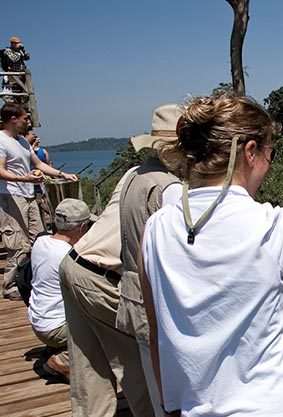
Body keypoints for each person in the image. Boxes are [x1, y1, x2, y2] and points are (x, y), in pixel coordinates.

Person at [139, 95, 283, 416]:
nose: (269, 165)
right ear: (250, 152)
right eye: (269, 153)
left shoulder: (156, 229)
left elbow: (156, 334)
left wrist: (170, 407)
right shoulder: (275, 226)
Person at [58, 166, 155, 417]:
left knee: (89, 369)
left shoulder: (136, 172)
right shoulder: (168, 185)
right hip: (103, 276)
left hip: (75, 262)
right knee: (141, 364)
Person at [115, 103, 182, 417]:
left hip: (132, 291)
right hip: (156, 301)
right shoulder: (167, 188)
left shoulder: (134, 176)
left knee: (155, 392)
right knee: (169, 396)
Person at [0, 103, 77, 301]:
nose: (29, 122)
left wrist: (63, 174)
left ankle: (32, 276)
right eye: (25, 118)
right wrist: (25, 179)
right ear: (13, 119)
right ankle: (9, 285)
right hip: (11, 196)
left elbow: (39, 164)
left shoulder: (23, 143)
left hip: (29, 195)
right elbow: (0, 171)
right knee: (18, 242)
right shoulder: (1, 140)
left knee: (39, 237)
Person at [28, 198, 96, 380]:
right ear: (81, 228)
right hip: (55, 328)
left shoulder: (40, 242)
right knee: (103, 329)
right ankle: (62, 360)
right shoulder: (67, 256)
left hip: (38, 321)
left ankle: (56, 346)